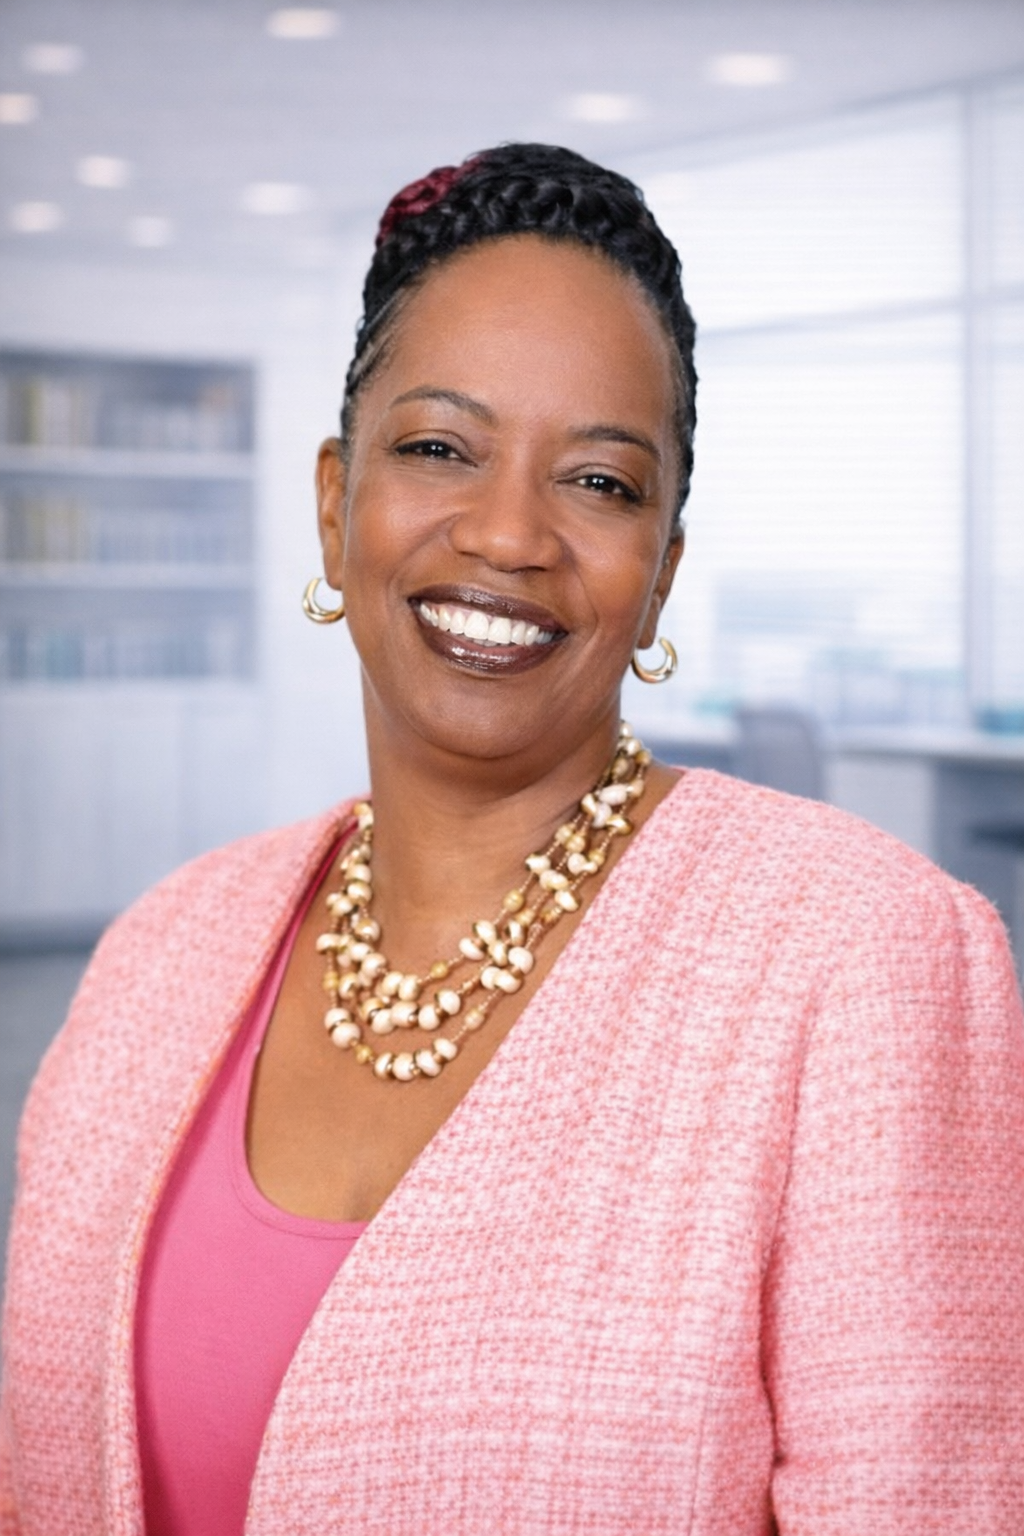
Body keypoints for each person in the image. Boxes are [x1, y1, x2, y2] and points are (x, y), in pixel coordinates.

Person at [2, 143, 1023, 1536]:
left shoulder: (859, 960)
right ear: (330, 504)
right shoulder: (157, 955)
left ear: (661, 565)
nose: (508, 533)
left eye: (599, 483)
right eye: (437, 449)